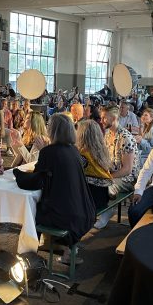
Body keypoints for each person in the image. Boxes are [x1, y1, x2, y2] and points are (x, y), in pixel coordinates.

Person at [13, 114, 96, 264]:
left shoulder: (49, 152)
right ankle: (63, 250)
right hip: (85, 212)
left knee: (30, 214)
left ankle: (28, 256)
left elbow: (35, 181)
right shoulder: (74, 150)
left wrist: (17, 173)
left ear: (54, 130)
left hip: (66, 218)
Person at [99, 106, 140, 228]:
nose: (101, 121)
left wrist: (107, 176)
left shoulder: (126, 138)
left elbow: (127, 170)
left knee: (103, 187)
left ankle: (106, 211)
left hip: (128, 178)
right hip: (113, 173)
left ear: (114, 118)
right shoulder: (108, 134)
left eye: (104, 118)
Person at [76, 119, 113, 221]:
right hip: (103, 196)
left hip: (90, 199)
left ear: (82, 135)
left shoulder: (82, 154)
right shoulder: (102, 150)